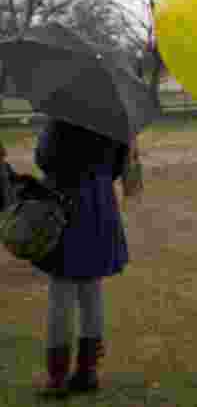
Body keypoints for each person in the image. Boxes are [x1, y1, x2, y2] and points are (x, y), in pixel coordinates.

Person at [32, 118, 130, 398]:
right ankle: (87, 372)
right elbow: (115, 167)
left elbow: (44, 158)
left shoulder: (64, 115)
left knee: (61, 292)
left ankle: (57, 377)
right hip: (100, 202)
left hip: (67, 203)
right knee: (91, 291)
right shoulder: (113, 116)